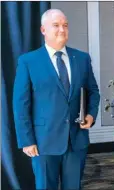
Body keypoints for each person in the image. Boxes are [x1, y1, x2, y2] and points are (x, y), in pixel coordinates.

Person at [13, 9, 100, 189]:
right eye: (56, 25)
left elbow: (93, 91)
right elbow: (20, 104)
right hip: (43, 142)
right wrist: (26, 140)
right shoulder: (28, 61)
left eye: (65, 25)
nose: (62, 29)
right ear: (43, 30)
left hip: (76, 140)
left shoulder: (82, 58)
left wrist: (91, 115)